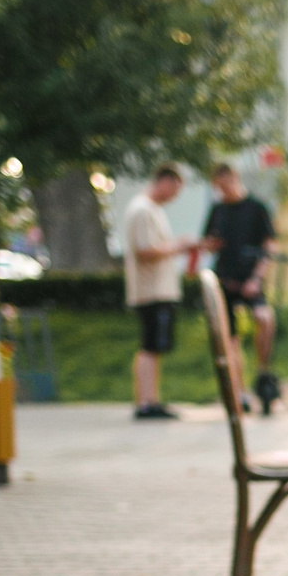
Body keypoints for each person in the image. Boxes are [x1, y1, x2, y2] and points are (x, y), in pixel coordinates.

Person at [202, 164, 281, 412]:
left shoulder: (257, 208)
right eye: (218, 188)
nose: (223, 191)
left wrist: (256, 278)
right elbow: (209, 243)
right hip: (225, 280)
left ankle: (262, 371)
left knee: (264, 318)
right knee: (229, 338)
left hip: (251, 279)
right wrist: (211, 244)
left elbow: (270, 247)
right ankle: (239, 393)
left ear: (235, 179)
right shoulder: (217, 209)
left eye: (225, 186)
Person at [124, 167, 199, 421]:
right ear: (164, 182)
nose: (176, 196)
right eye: (175, 188)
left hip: (157, 290)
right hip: (151, 290)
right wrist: (179, 246)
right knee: (149, 346)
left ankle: (151, 399)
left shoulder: (150, 209)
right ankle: (145, 402)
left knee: (154, 346)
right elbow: (145, 250)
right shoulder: (143, 209)